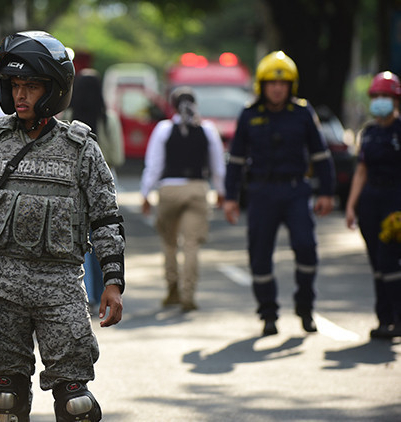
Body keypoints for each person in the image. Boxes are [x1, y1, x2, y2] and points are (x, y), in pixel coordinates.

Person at [0, 31, 124, 422]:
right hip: (1, 288)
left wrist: (113, 282)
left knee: (76, 404)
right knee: (6, 401)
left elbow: (106, 218)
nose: (21, 95)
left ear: (54, 90)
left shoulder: (81, 148)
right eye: (15, 85)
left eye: (31, 86)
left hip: (60, 288)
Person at [223, 51, 335, 337]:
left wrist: (327, 192)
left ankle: (305, 307)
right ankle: (268, 314)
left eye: (282, 83)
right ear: (262, 85)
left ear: (291, 86)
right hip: (261, 192)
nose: (277, 88)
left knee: (306, 247)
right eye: (271, 83)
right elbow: (236, 160)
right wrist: (231, 198)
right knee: (260, 256)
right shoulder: (249, 114)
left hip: (296, 191)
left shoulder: (303, 113)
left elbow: (321, 155)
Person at [140, 86, 226, 312]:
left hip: (169, 190)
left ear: (173, 106)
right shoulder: (207, 129)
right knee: (191, 244)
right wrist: (221, 191)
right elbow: (218, 165)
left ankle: (173, 289)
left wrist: (145, 193)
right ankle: (189, 294)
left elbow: (154, 165)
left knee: (169, 243)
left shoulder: (164, 129)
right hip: (197, 189)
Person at [63, 68, 125, 312]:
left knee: (81, 241)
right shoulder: (109, 119)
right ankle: (102, 291)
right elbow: (118, 156)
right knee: (104, 237)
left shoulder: (67, 117)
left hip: (73, 185)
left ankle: (86, 292)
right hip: (103, 184)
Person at [345, 71, 401, 339]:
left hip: (395, 200)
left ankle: (398, 317)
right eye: (376, 96)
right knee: (377, 262)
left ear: (396, 100)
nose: (380, 101)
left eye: (385, 96)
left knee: (389, 260)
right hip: (370, 201)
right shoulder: (368, 133)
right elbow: (361, 171)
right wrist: (351, 206)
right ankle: (384, 318)